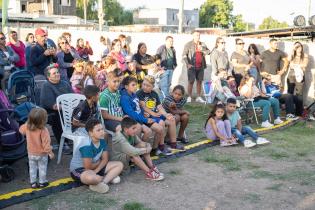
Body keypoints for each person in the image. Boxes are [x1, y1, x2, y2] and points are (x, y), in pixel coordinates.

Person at [69, 118, 123, 193]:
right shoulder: (86, 145)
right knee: (92, 178)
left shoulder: (102, 140)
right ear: (90, 133)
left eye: (102, 129)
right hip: (80, 169)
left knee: (119, 165)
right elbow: (88, 167)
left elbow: (105, 159)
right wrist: (99, 163)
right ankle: (102, 179)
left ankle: (103, 183)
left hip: (95, 168)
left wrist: (96, 170)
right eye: (98, 130)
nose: (102, 132)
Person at [137, 75, 186, 152]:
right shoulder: (140, 93)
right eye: (144, 84)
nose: (145, 87)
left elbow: (159, 107)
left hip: (156, 115)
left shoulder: (154, 94)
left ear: (152, 86)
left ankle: (173, 144)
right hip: (147, 116)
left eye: (148, 86)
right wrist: (153, 114)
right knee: (161, 122)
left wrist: (166, 115)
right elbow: (144, 107)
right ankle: (160, 146)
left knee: (171, 119)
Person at [120, 76, 166, 153]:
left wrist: (143, 113)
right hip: (135, 120)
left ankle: (154, 149)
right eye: (133, 85)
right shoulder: (124, 98)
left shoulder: (133, 94)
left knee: (160, 128)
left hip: (141, 118)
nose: (136, 87)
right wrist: (145, 119)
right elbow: (131, 113)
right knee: (148, 131)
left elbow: (139, 107)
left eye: (136, 85)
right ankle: (139, 150)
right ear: (126, 86)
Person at [40, 63, 73, 151]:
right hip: (52, 110)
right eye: (54, 73)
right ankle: (62, 141)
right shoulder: (46, 86)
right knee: (58, 116)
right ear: (48, 76)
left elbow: (73, 96)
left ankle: (75, 135)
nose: (57, 74)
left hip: (67, 107)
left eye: (57, 72)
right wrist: (68, 107)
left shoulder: (65, 83)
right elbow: (52, 105)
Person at [19, 108, 54, 188]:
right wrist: (50, 152)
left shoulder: (27, 127)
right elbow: (46, 143)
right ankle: (42, 182)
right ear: (44, 120)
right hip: (42, 154)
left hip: (31, 153)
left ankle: (33, 182)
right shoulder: (43, 130)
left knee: (32, 168)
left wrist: (27, 123)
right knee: (42, 168)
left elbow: (20, 130)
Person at [182, 31, 210, 103]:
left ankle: (198, 97)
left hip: (201, 66)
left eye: (199, 35)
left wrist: (202, 49)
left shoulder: (202, 44)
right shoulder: (188, 44)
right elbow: (184, 55)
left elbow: (209, 52)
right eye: (196, 35)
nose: (198, 36)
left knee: (199, 81)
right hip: (192, 66)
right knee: (191, 81)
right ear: (193, 36)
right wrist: (187, 64)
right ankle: (189, 96)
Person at [99, 69, 125, 133]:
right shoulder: (104, 96)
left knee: (135, 126)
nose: (117, 84)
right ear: (107, 82)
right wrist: (119, 118)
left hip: (120, 118)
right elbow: (104, 115)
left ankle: (133, 143)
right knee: (121, 128)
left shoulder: (119, 92)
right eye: (114, 81)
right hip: (109, 120)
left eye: (118, 81)